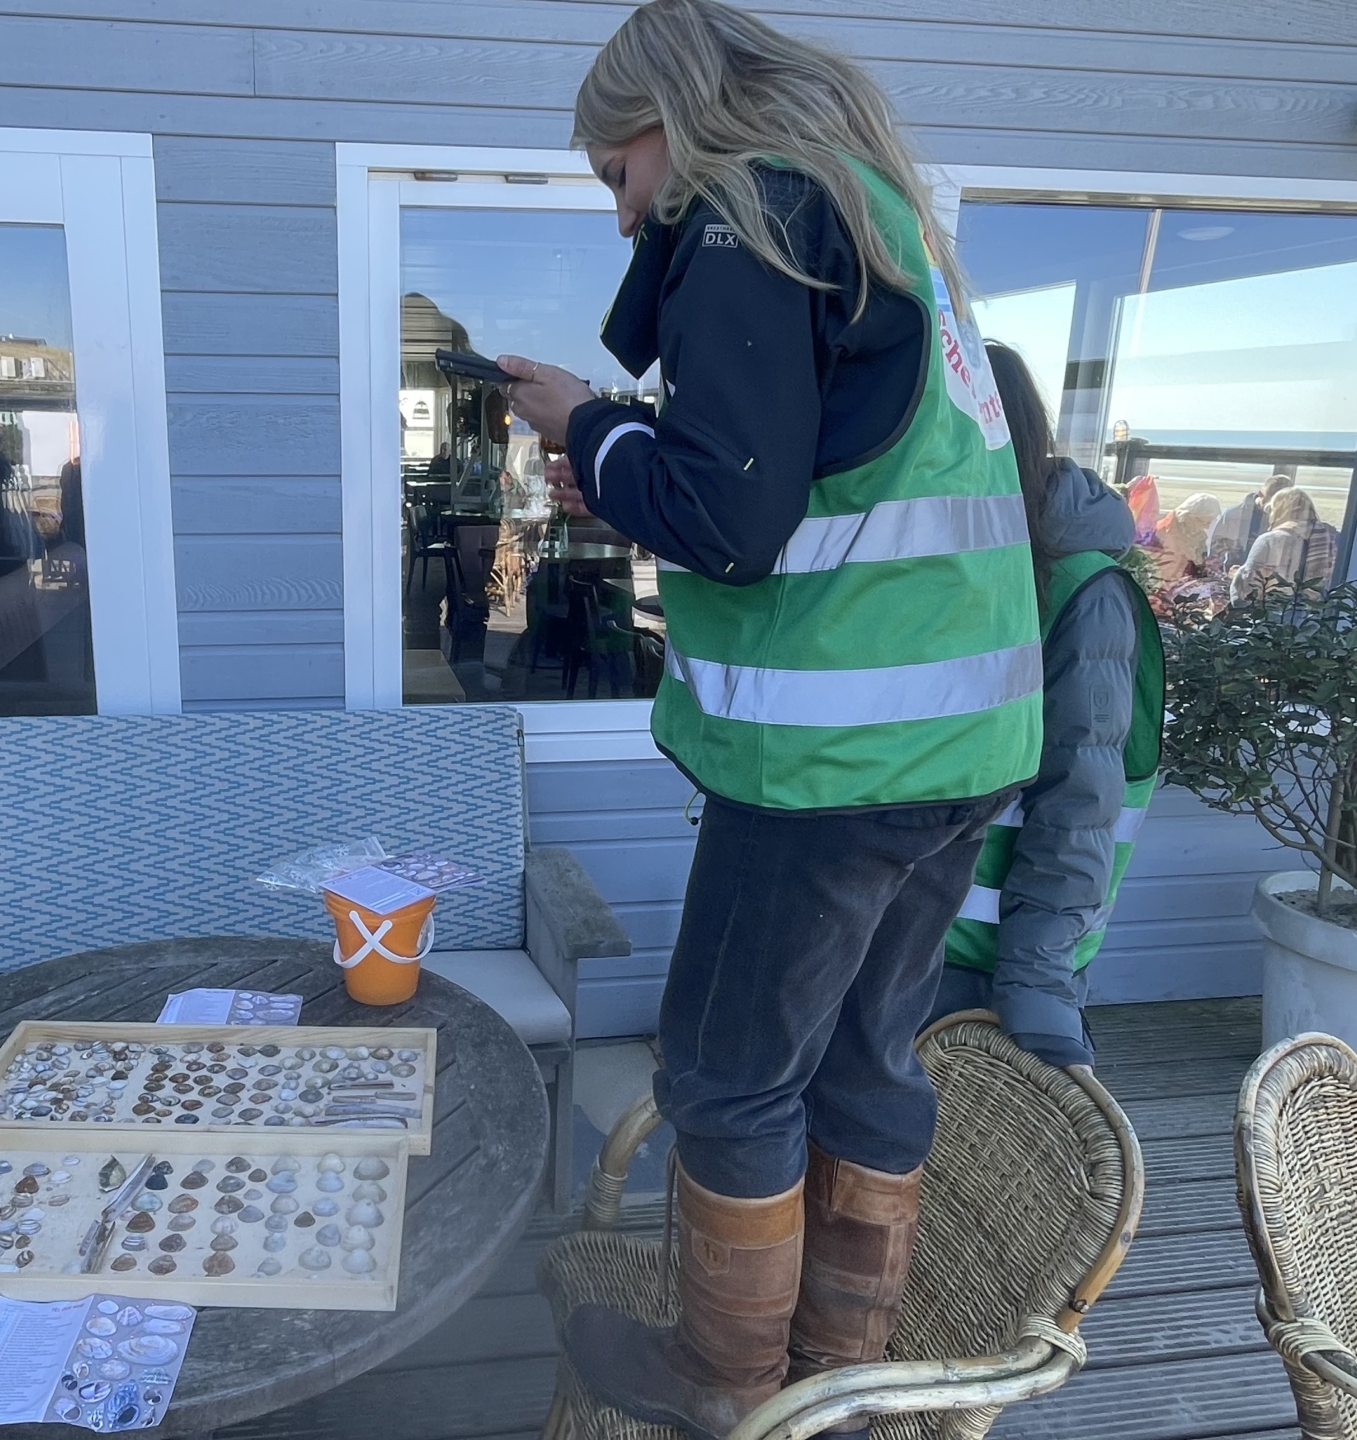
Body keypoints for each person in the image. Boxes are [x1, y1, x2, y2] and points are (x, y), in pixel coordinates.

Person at [495, 3, 1041, 1434]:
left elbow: (731, 523)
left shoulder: (750, 216)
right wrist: (636, 465)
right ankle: (835, 1372)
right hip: (958, 753)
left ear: (667, 124)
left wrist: (588, 427)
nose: (623, 222)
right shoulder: (879, 226)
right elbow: (802, 492)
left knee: (729, 1075)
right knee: (865, 1057)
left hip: (829, 769)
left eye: (617, 180)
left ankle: (724, 1379)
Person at [933, 343, 1163, 1070]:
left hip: (992, 965)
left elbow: (1079, 807)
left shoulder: (1083, 593)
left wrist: (1035, 990)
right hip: (900, 942)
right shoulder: (939, 562)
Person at [1229, 487, 1325, 603]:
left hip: (1272, 610)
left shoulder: (1270, 539)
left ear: (1279, 511)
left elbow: (1249, 586)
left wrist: (1237, 575)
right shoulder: (1323, 537)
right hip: (1311, 610)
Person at [1209, 471, 1293, 569]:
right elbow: (1216, 552)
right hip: (1232, 574)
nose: (1275, 508)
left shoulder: (1287, 519)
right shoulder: (1233, 514)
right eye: (1272, 504)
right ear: (1260, 494)